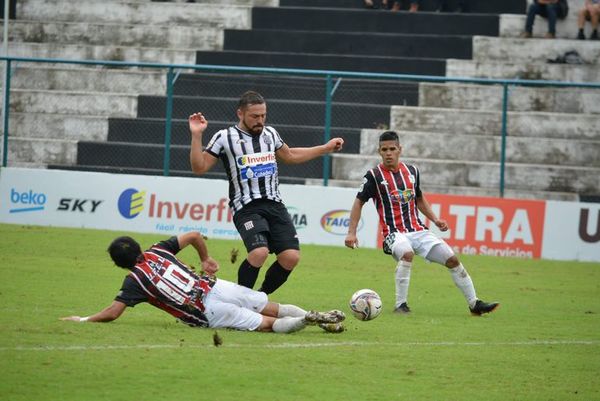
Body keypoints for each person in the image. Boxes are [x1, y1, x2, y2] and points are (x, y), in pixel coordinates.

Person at [188, 91, 344, 295]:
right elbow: (199, 167)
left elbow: (289, 156)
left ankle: (259, 298)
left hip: (275, 204)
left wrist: (325, 148)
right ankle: (239, 300)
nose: (260, 121)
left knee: (291, 257)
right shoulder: (224, 137)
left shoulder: (270, 134)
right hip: (246, 207)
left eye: (263, 116)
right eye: (254, 116)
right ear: (240, 114)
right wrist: (197, 135)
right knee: (259, 252)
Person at [61, 232, 346, 333]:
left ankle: (307, 320)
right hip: (215, 285)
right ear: (138, 247)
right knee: (270, 306)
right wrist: (206, 259)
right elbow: (195, 235)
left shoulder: (134, 281)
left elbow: (112, 313)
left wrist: (83, 319)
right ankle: (320, 318)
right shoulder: (159, 249)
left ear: (119, 264)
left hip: (205, 311)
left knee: (267, 325)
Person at [344, 131, 499, 316]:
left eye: (392, 149)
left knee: (452, 260)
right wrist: (351, 232)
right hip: (393, 234)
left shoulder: (412, 172)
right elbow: (358, 202)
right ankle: (401, 305)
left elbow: (419, 199)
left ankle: (474, 304)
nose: (388, 153)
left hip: (418, 230)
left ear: (400, 149)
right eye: (384, 149)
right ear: (379, 151)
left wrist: (435, 219)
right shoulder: (373, 176)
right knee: (407, 254)